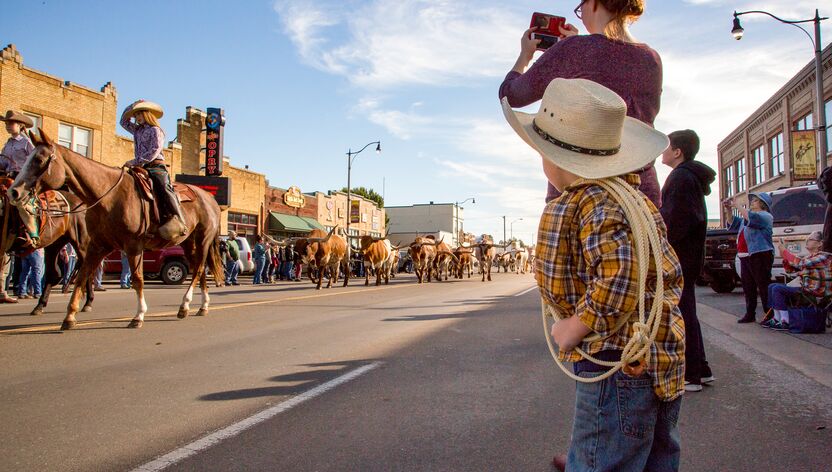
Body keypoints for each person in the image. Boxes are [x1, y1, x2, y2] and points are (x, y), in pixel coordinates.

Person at [503, 78, 684, 471]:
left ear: (552, 158)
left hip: (615, 359)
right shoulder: (633, 200)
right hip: (657, 355)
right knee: (652, 456)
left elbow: (620, 276)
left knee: (601, 458)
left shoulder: (591, 202)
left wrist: (576, 325)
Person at [500, 0, 663, 207]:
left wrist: (525, 56)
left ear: (593, 3)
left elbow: (511, 94)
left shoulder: (575, 50)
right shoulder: (652, 58)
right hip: (641, 194)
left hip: (580, 194)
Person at [660, 129, 715, 392]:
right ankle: (701, 369)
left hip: (680, 257)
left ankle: (691, 374)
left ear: (677, 152)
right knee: (687, 311)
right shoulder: (689, 177)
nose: (662, 152)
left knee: (681, 313)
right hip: (689, 256)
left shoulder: (681, 177)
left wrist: (661, 241)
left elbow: (675, 220)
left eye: (666, 147)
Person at [120, 100, 188, 240]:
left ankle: (179, 219)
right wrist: (132, 106)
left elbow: (154, 150)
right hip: (141, 167)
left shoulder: (156, 130)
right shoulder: (137, 130)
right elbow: (123, 122)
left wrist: (135, 161)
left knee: (164, 188)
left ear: (147, 114)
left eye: (140, 114)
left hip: (156, 166)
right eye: (136, 115)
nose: (137, 117)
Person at [764, 231, 832, 330]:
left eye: (810, 239)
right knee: (772, 286)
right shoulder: (810, 257)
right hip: (807, 290)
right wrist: (785, 258)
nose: (807, 241)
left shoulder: (824, 257)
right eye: (807, 239)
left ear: (820, 243)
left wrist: (785, 251)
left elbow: (801, 263)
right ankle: (776, 318)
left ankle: (785, 321)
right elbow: (790, 270)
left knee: (777, 289)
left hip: (816, 294)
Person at [727, 193, 774, 323]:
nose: (752, 202)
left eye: (755, 201)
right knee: (748, 286)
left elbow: (751, 218)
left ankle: (769, 314)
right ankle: (750, 313)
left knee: (763, 285)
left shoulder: (765, 216)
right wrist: (729, 209)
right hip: (746, 255)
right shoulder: (747, 217)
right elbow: (732, 223)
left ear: (763, 204)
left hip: (760, 253)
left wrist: (737, 205)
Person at [0, 110, 41, 245]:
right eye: (6, 123)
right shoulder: (8, 144)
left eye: (11, 123)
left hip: (21, 178)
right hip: (7, 177)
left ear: (20, 125)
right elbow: (3, 163)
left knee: (20, 202)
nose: (7, 126)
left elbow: (34, 161)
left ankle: (31, 233)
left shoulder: (26, 142)